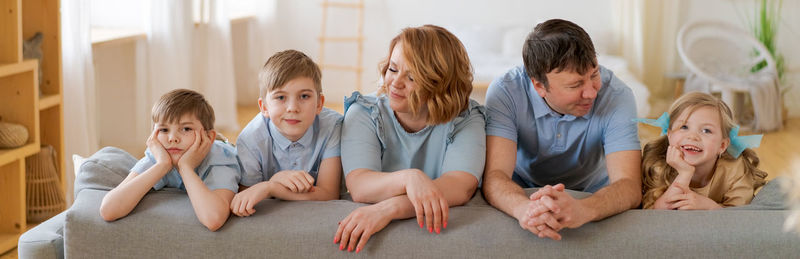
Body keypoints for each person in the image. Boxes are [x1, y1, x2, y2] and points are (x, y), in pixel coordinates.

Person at [482, 19, 642, 240]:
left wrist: (583, 209)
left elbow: (629, 185)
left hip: (592, 192)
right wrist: (525, 210)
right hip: (521, 188)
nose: (591, 93)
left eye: (594, 75)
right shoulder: (505, 92)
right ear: (539, 86)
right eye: (575, 85)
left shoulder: (618, 95)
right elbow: (495, 176)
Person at [334, 25, 485, 253]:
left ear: (440, 84)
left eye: (412, 77)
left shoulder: (466, 118)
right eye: (393, 69)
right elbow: (360, 186)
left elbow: (461, 186)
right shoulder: (363, 112)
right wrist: (409, 179)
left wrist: (390, 208)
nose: (395, 82)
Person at [99, 89, 241, 231]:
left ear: (208, 137)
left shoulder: (221, 159)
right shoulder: (160, 155)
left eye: (186, 129)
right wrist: (162, 165)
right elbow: (108, 210)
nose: (172, 138)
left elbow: (213, 219)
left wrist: (186, 167)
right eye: (164, 130)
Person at [230, 50, 343, 217]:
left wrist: (272, 186)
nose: (292, 108)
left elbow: (329, 194)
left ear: (319, 104)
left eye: (304, 96)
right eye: (281, 97)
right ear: (264, 107)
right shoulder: (250, 140)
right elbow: (246, 201)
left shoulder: (333, 127)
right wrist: (271, 183)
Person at [640, 92, 767, 209]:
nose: (692, 136)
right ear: (670, 135)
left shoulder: (734, 169)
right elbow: (654, 213)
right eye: (684, 127)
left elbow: (740, 217)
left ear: (722, 146)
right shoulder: (659, 165)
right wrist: (684, 174)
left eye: (706, 130)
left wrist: (709, 207)